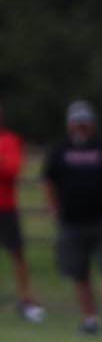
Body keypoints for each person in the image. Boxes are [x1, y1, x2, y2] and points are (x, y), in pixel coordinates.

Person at [41, 100, 102, 334]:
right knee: (79, 273)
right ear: (69, 124)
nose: (80, 126)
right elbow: (48, 180)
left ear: (92, 123)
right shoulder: (59, 150)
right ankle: (89, 318)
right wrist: (52, 208)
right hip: (72, 221)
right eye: (76, 122)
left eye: (84, 122)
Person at [0, 99, 47, 322]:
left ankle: (25, 299)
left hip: (5, 207)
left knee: (17, 253)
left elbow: (12, 170)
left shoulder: (10, 141)